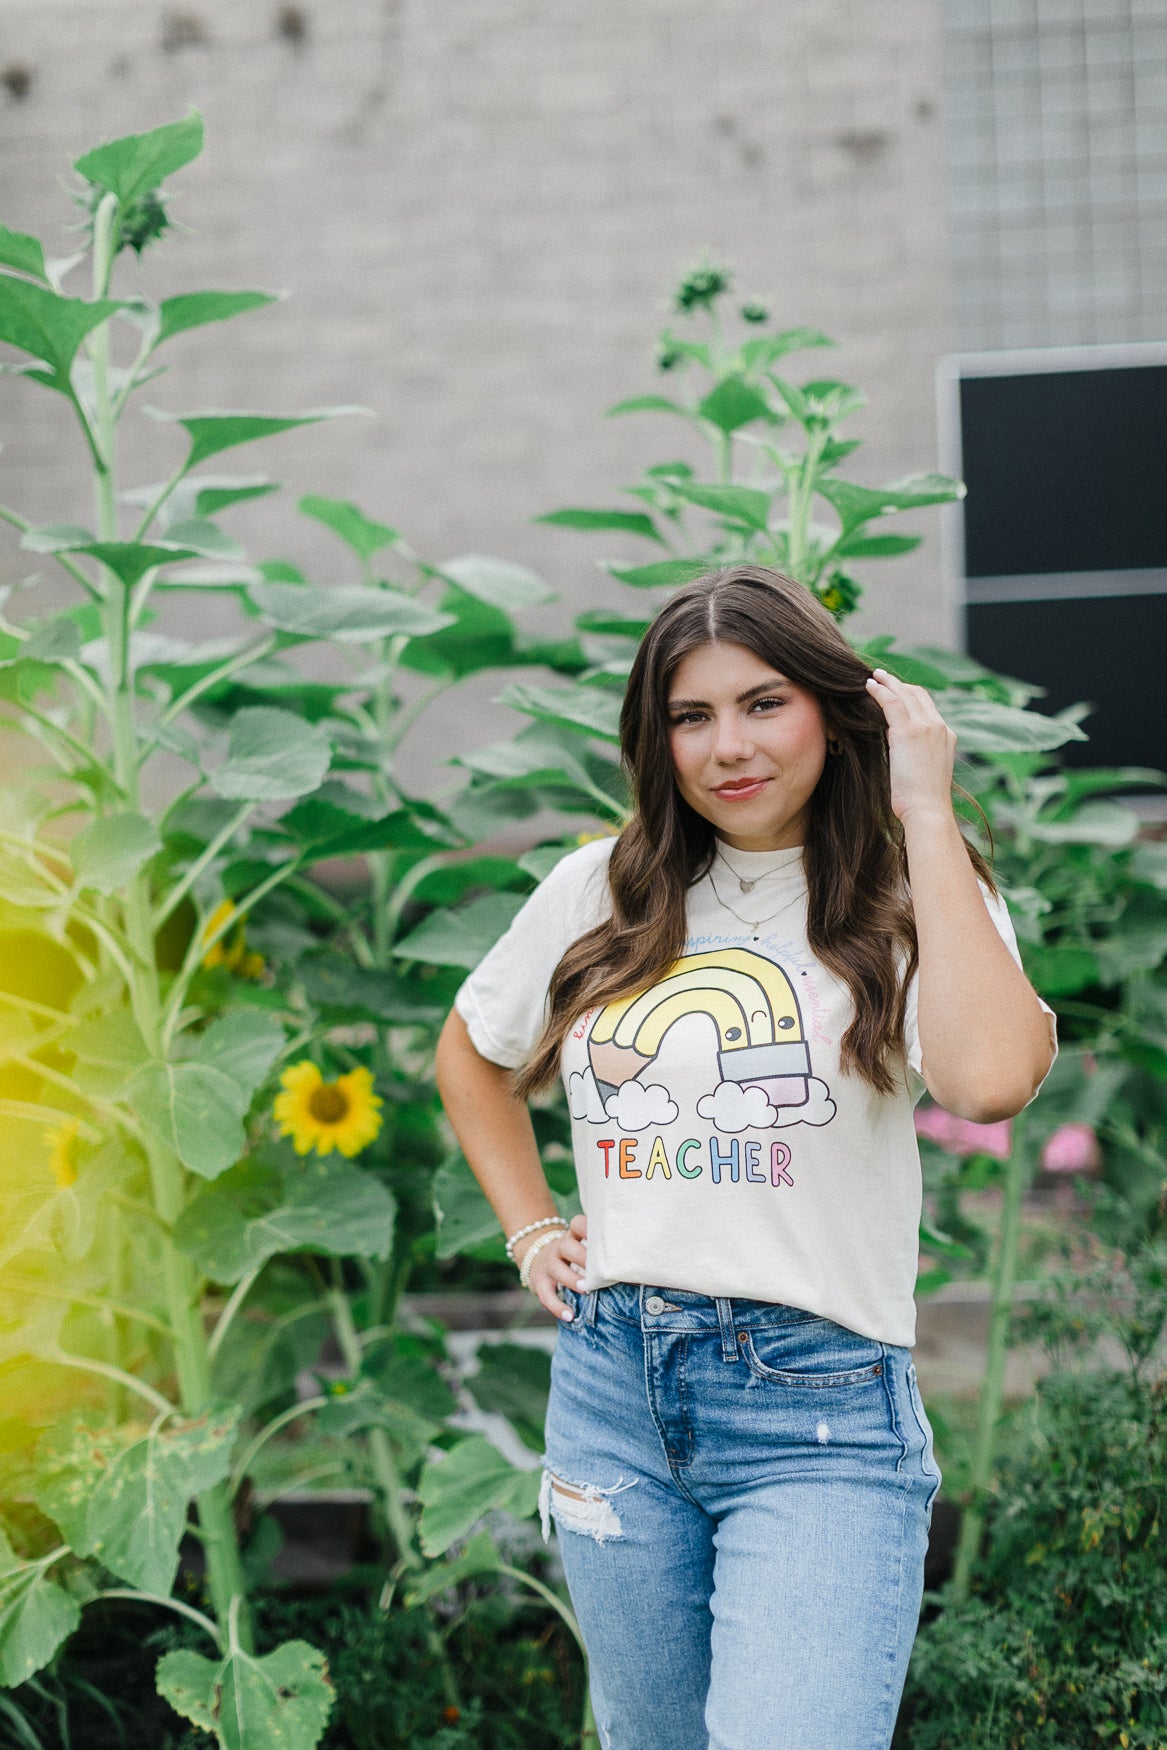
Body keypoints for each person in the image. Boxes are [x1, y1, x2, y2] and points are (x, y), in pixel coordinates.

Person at [435, 565, 1055, 1750]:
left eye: (764, 702)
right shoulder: (600, 890)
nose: (728, 745)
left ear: (837, 709)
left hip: (818, 1414)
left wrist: (927, 811)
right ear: (657, 736)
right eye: (692, 715)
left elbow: (989, 1082)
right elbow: (472, 1055)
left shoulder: (915, 892)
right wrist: (528, 1228)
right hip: (615, 1393)